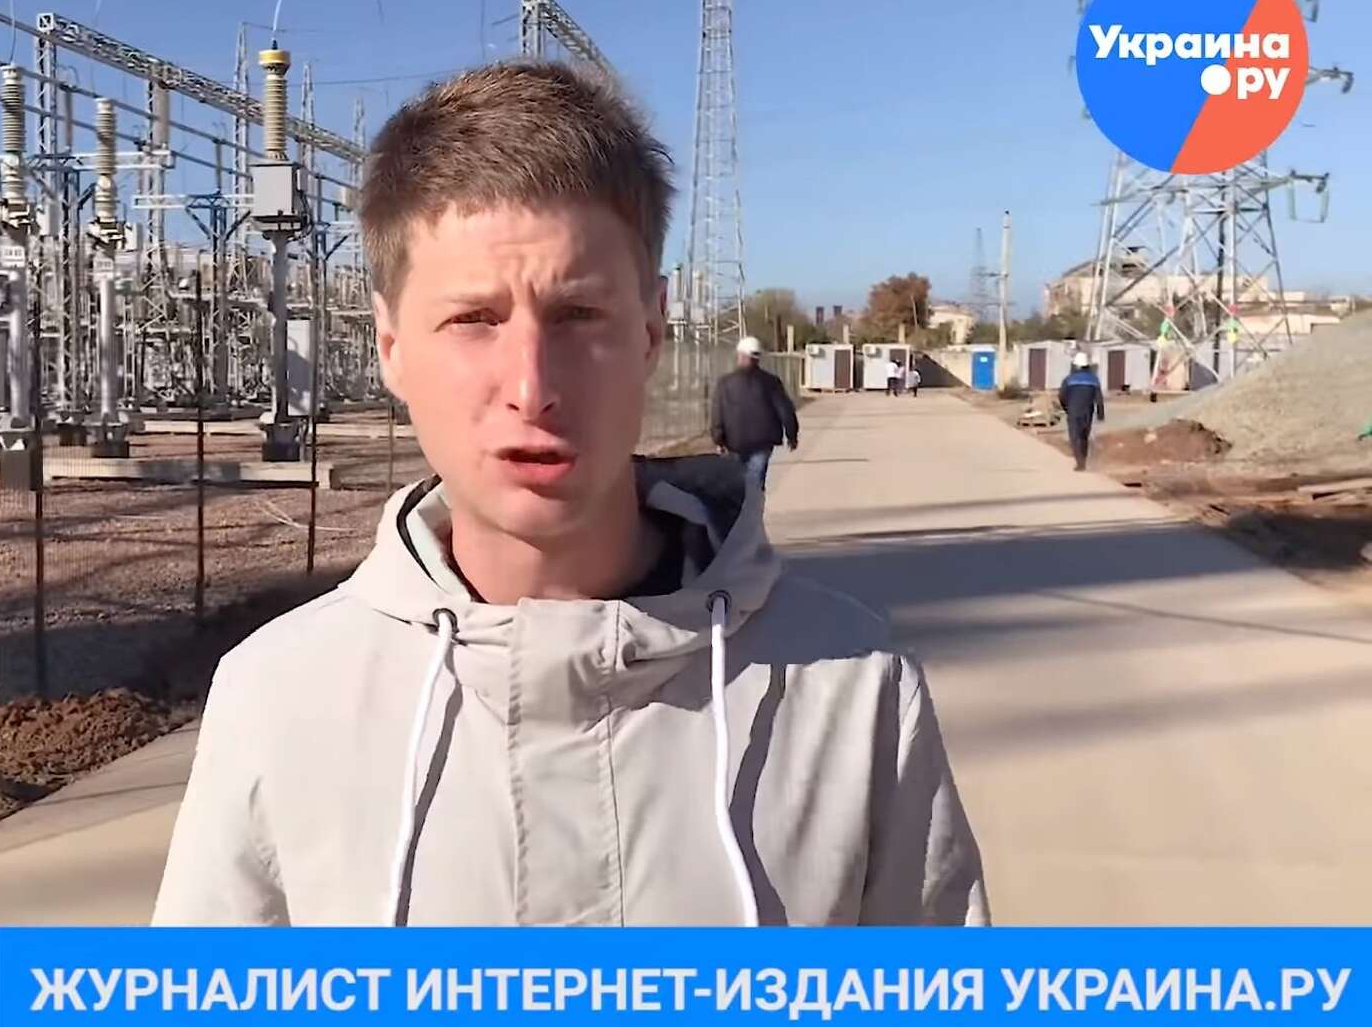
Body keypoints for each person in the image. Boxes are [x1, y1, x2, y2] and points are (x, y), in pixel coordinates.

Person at [151, 61, 987, 927]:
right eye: (473, 319)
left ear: (651, 330)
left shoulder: (851, 688)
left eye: (579, 316)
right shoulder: (278, 700)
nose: (533, 387)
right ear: (391, 346)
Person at [710, 336, 799, 491]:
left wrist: (718, 439)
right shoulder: (771, 382)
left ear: (740, 355)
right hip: (763, 442)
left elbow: (717, 412)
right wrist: (792, 435)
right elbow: (785, 410)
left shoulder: (725, 383)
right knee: (756, 481)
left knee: (736, 483)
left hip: (734, 441)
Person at [1059, 351, 1106, 471]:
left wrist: (1066, 408)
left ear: (1075, 365)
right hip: (1087, 413)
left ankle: (1080, 462)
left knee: (1075, 437)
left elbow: (1062, 396)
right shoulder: (1094, 380)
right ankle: (1083, 459)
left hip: (1073, 412)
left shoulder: (1069, 380)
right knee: (1084, 436)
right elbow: (1099, 399)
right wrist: (1100, 414)